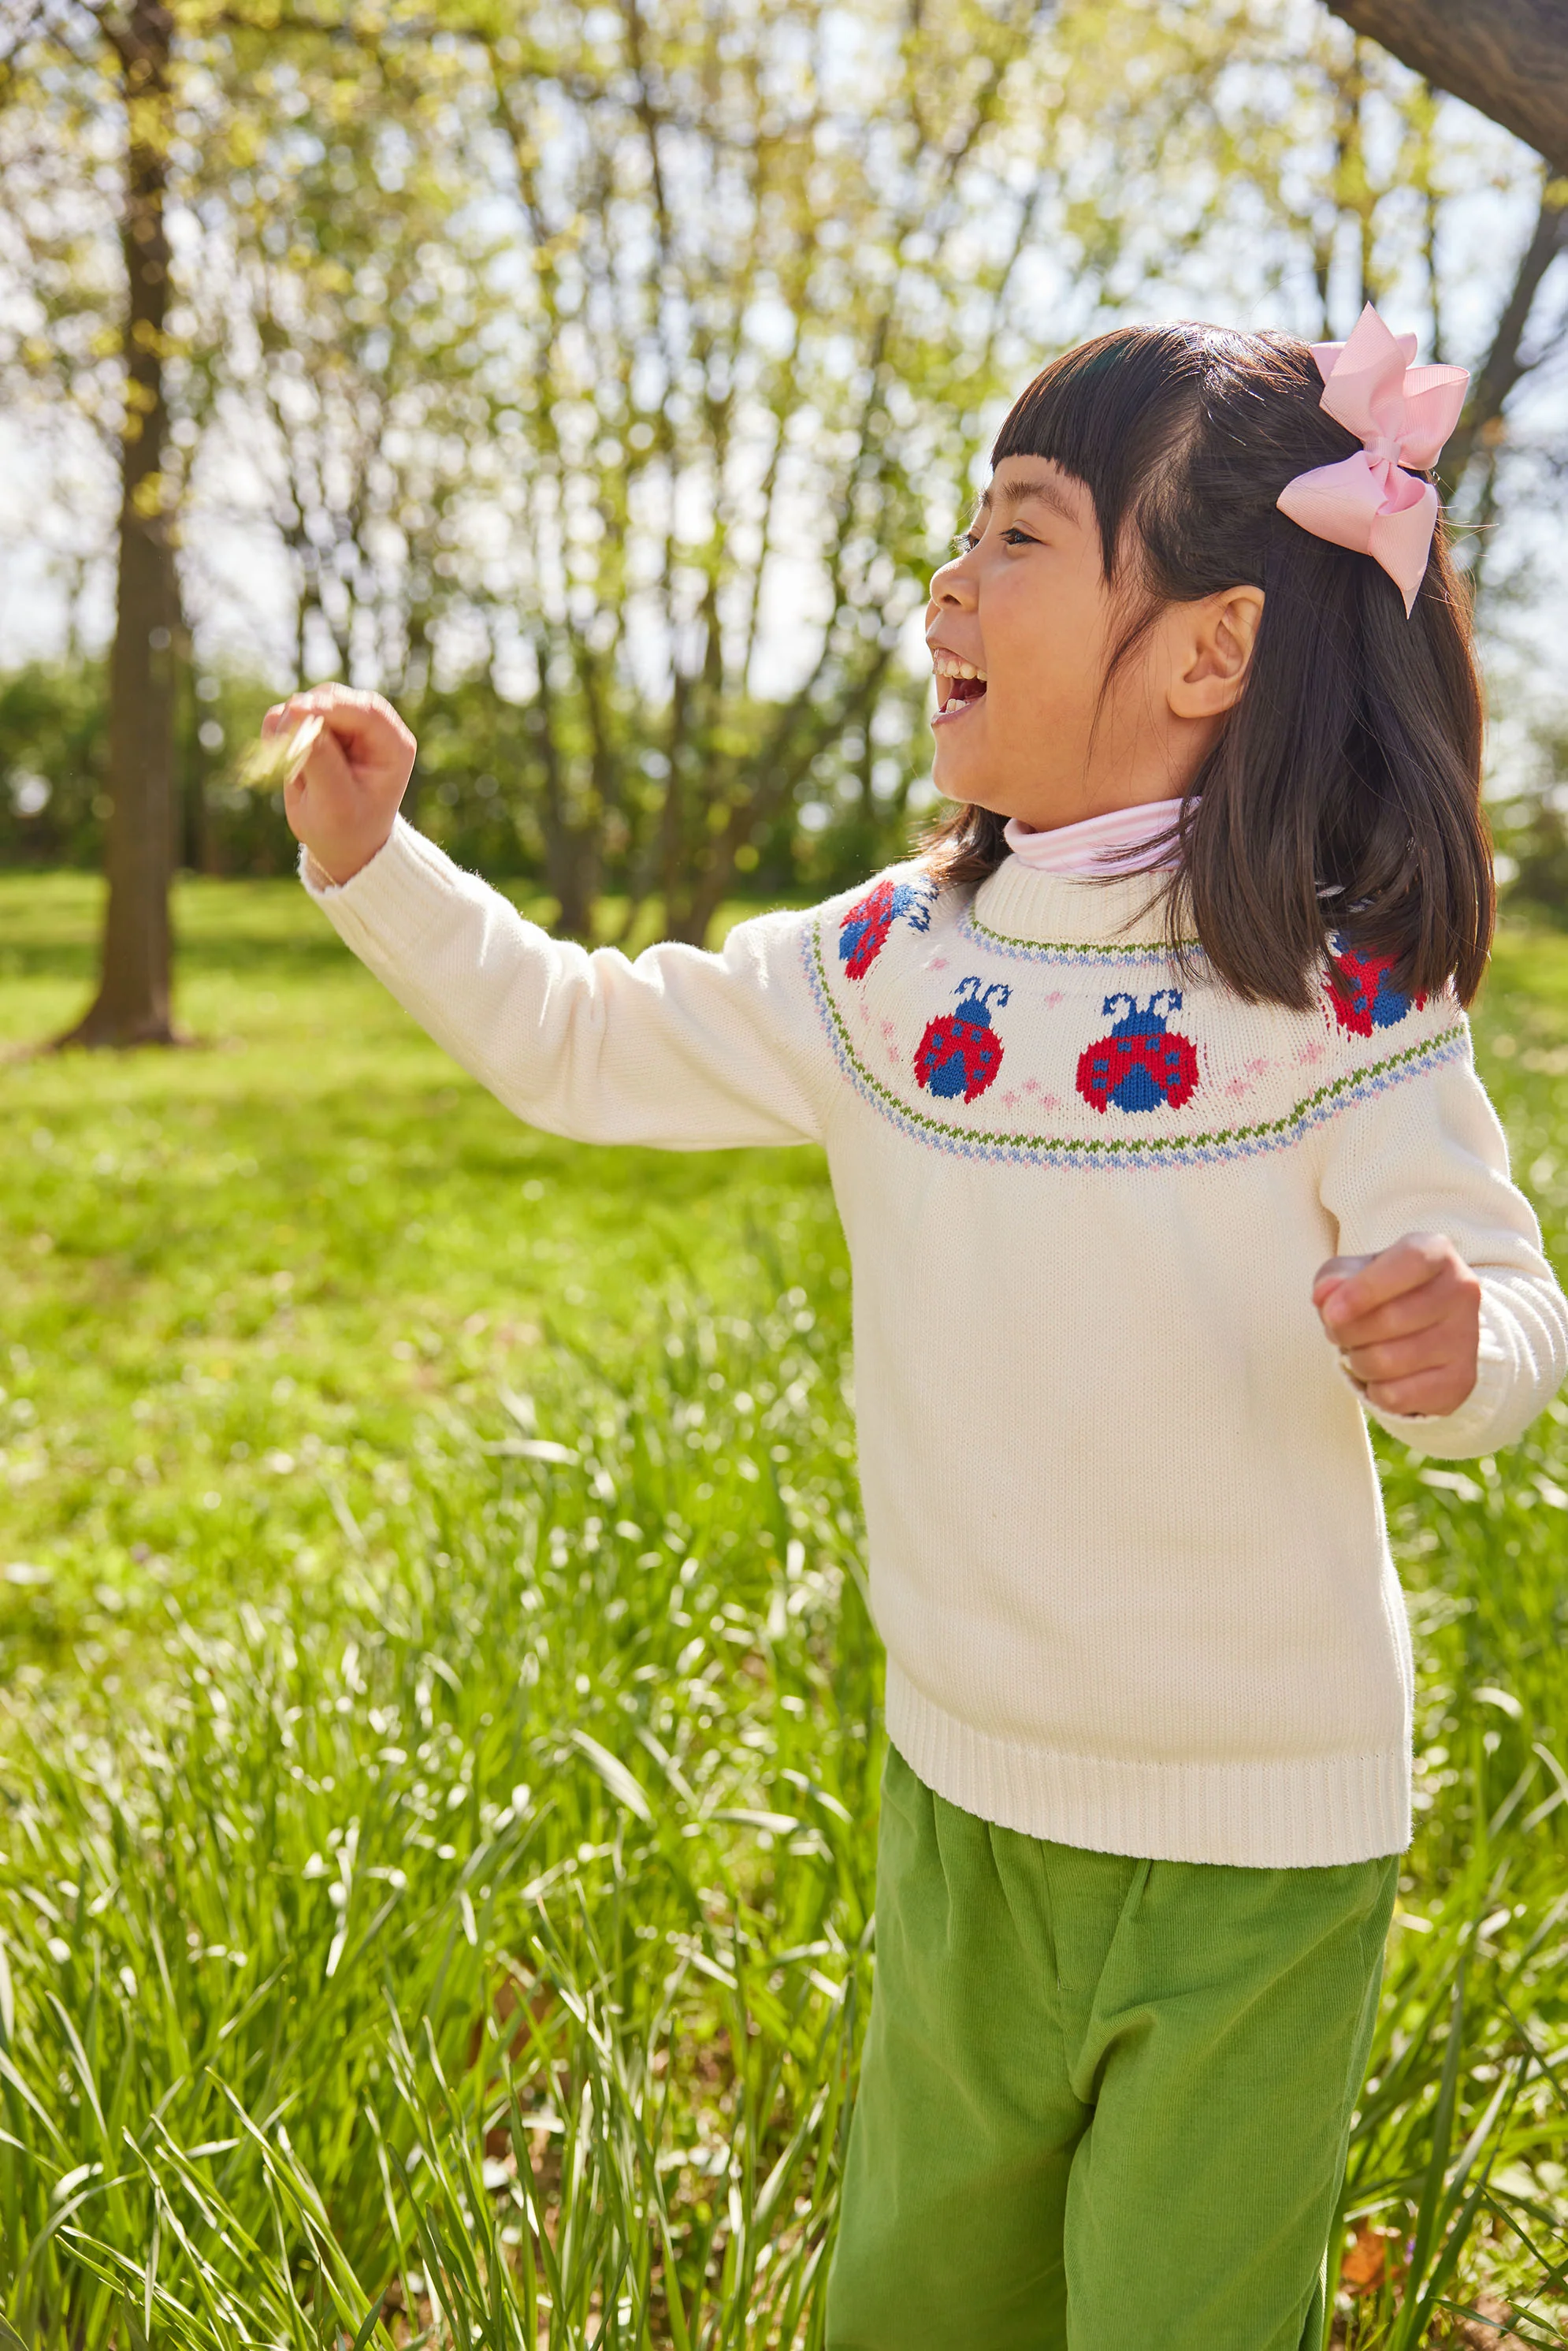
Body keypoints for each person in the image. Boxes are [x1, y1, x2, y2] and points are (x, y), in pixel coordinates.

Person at [275, 307, 1568, 2349]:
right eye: (966, 531)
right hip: (965, 1796)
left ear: (1207, 650)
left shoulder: (1338, 1000)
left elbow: (1505, 1302)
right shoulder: (891, 968)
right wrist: (381, 868)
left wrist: (1455, 1345)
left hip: (1259, 1843)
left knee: (1178, 2316)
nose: (949, 584)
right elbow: (582, 1038)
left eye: (1023, 535)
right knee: (916, 2299)